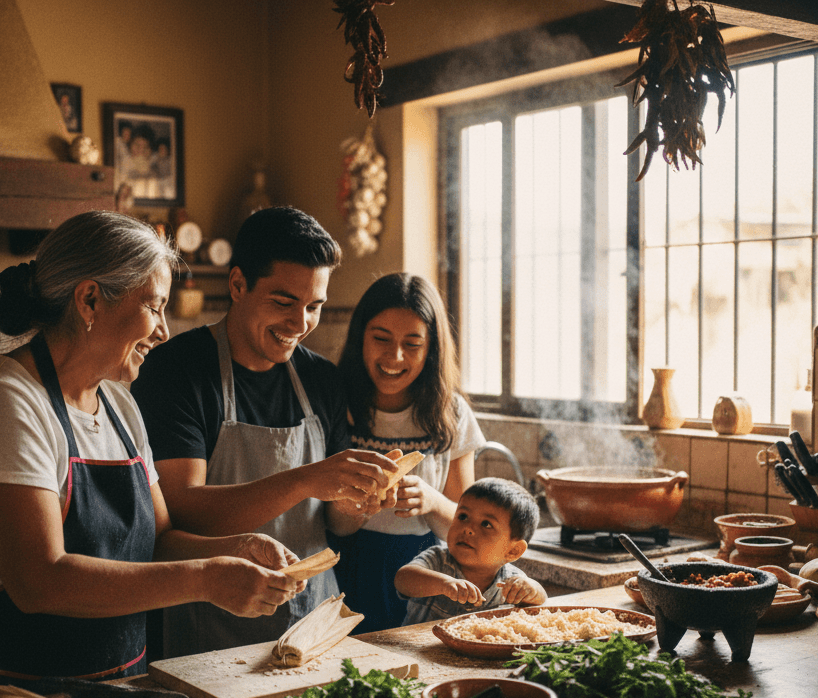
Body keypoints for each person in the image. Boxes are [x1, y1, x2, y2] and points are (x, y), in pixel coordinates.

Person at [0, 211, 304, 698]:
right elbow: (39, 582)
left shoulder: (118, 406)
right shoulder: (3, 402)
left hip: (113, 693)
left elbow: (159, 540)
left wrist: (240, 549)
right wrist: (207, 578)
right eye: (154, 307)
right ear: (90, 300)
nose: (163, 331)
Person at [133, 205, 400, 658]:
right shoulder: (176, 371)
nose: (300, 324)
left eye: (314, 307)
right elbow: (182, 512)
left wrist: (359, 503)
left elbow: (335, 522)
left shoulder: (322, 379)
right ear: (238, 285)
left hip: (312, 624)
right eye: (283, 302)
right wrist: (305, 480)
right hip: (209, 630)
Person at [328, 272, 485, 633]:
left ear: (431, 349)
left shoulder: (451, 413)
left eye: (412, 344)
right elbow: (331, 523)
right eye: (381, 338)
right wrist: (358, 504)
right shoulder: (337, 403)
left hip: (425, 575)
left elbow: (465, 527)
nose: (394, 356)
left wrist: (430, 500)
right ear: (360, 337)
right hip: (346, 569)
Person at [394, 477, 545, 626]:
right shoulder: (438, 559)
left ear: (513, 551)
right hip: (418, 642)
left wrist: (533, 590)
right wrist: (444, 584)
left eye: (486, 524)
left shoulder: (512, 581)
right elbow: (402, 580)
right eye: (463, 516)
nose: (468, 528)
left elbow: (540, 600)